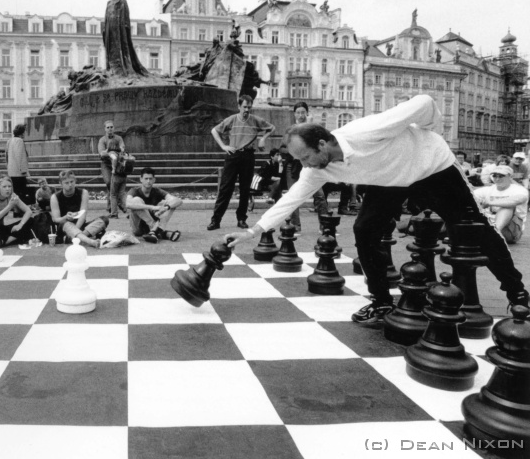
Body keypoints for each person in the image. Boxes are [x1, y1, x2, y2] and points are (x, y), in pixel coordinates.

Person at [226, 95, 528, 323]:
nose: (303, 166)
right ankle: (382, 301)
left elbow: (424, 102)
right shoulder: (318, 168)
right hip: (390, 180)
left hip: (431, 166)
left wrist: (429, 131)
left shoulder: (367, 130)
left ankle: (517, 293)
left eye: (305, 157)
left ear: (322, 144)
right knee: (364, 229)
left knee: (473, 228)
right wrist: (255, 230)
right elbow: (290, 199)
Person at [208, 94, 274, 231]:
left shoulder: (255, 120)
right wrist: (223, 146)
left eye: (249, 107)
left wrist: (263, 138)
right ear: (239, 106)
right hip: (233, 155)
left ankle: (242, 219)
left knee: (245, 189)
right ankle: (216, 220)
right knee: (225, 188)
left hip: (248, 156)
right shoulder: (232, 119)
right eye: (244, 107)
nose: (247, 110)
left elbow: (271, 128)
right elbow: (214, 130)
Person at [50, 170, 108, 248]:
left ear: (75, 181)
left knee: (104, 220)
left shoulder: (83, 193)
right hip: (64, 227)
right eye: (66, 183)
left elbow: (83, 215)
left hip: (80, 226)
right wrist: (65, 217)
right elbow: (55, 219)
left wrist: (75, 231)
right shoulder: (55, 197)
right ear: (61, 184)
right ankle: (90, 241)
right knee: (66, 223)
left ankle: (73, 239)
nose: (70, 185)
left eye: (72, 181)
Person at [126, 167, 182, 243]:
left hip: (152, 226)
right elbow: (128, 204)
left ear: (154, 180)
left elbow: (178, 200)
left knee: (170, 203)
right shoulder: (134, 191)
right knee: (136, 200)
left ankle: (155, 231)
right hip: (138, 228)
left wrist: (166, 207)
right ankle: (158, 230)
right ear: (141, 179)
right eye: (146, 179)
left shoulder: (157, 191)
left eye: (150, 179)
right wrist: (152, 207)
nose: (148, 181)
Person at [474, 165, 528, 244]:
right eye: (495, 176)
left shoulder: (519, 189)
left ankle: (495, 233)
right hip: (488, 224)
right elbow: (468, 196)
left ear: (510, 176)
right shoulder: (488, 189)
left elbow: (520, 199)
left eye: (501, 176)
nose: (497, 179)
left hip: (511, 230)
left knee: (507, 207)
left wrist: (490, 202)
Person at [103, 0, 148, 77]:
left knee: (122, 46)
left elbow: (126, 14)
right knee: (111, 47)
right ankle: (112, 67)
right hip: (110, 27)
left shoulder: (123, 1)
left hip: (119, 27)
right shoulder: (108, 3)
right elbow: (106, 16)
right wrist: (104, 28)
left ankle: (124, 67)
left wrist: (126, 26)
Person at [0, 176, 35, 247]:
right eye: (4, 187)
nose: (7, 189)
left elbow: (28, 211)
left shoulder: (12, 196)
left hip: (1, 229)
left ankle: (6, 241)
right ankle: (13, 238)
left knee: (31, 221)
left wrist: (20, 225)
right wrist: (9, 206)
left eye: (9, 186)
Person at [97, 119, 126, 215]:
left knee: (114, 184)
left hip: (117, 164)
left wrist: (121, 149)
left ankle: (110, 207)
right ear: (105, 129)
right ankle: (117, 203)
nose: (110, 129)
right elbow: (101, 153)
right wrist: (108, 152)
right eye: (108, 127)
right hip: (106, 164)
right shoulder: (102, 140)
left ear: (114, 128)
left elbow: (122, 147)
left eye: (111, 127)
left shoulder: (118, 138)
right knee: (109, 182)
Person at [5, 123, 32, 204]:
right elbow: (20, 156)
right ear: (22, 133)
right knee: (21, 193)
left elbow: (6, 156)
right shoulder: (20, 141)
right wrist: (25, 171)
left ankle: (16, 210)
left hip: (11, 171)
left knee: (15, 192)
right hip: (19, 172)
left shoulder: (9, 141)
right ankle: (20, 210)